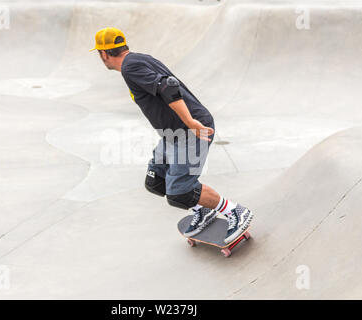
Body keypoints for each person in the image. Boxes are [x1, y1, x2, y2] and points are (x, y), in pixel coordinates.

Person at [90, 27, 253, 243]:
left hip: (189, 131)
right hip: (172, 135)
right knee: (156, 180)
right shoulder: (139, 60)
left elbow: (168, 87)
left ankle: (235, 211)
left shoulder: (130, 68)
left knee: (180, 193)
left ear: (104, 54)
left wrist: (190, 122)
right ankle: (203, 210)